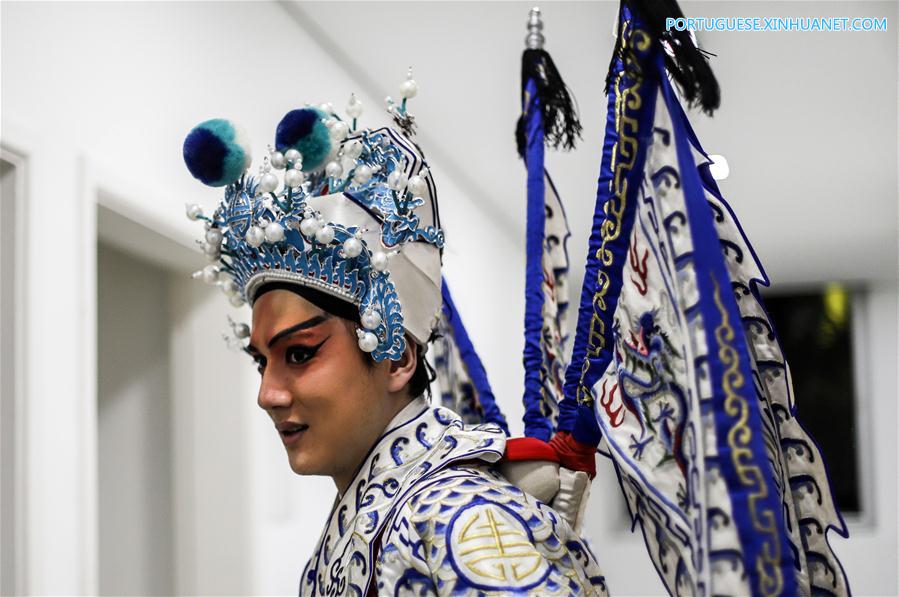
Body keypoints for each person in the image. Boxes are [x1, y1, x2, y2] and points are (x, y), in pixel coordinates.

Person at [181, 79, 606, 595]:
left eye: (299, 353)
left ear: (397, 359)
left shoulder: (460, 522)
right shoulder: (371, 513)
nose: (268, 394)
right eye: (262, 362)